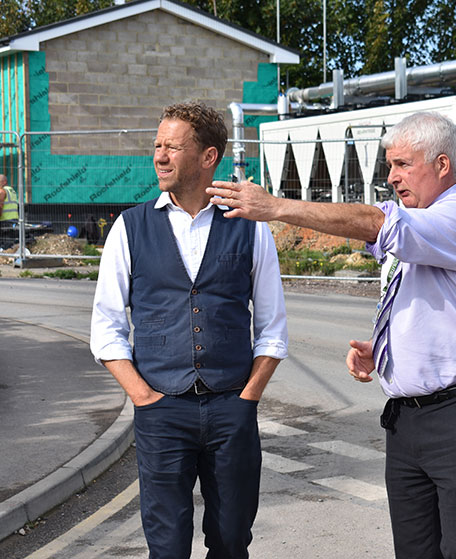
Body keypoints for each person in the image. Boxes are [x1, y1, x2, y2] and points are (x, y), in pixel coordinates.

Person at [207, 111, 456, 559]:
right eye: (389, 166)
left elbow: (374, 223)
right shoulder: (422, 225)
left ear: (442, 166)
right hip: (407, 418)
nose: (392, 177)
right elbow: (428, 301)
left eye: (404, 164)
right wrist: (386, 349)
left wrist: (277, 207)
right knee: (415, 551)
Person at [90, 101, 288, 559]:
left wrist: (247, 399)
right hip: (162, 411)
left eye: (172, 147)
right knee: (168, 546)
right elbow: (105, 328)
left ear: (208, 157)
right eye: (157, 145)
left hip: (230, 410)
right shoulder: (130, 227)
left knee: (232, 540)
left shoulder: (250, 228)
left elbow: (273, 327)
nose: (159, 156)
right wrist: (144, 398)